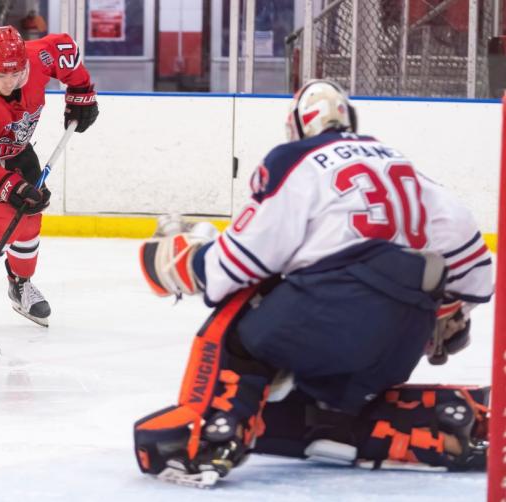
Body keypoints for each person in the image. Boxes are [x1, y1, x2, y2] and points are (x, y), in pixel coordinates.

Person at [134, 80, 493, 487]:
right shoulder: (400, 163)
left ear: (296, 127)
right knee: (293, 415)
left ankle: (212, 434)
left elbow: (237, 264)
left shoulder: (296, 158)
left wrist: (184, 259)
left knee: (248, 303)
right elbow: (477, 270)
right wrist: (450, 315)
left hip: (330, 323)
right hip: (403, 341)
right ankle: (426, 420)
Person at [0, 25, 99, 332]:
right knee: (4, 217)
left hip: (15, 146)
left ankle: (20, 285)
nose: (10, 82)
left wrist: (82, 91)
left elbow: (65, 49)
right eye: (1, 76)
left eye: (17, 73)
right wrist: (6, 183)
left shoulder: (37, 58)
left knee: (31, 213)